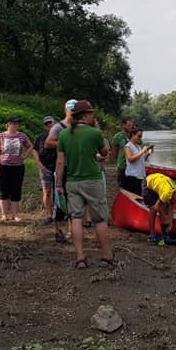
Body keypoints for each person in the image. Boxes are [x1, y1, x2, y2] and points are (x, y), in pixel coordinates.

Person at [54, 100, 114, 269]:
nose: (93, 116)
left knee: (76, 218)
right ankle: (107, 256)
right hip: (93, 180)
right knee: (100, 219)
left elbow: (60, 162)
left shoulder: (64, 134)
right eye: (91, 113)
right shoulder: (94, 133)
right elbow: (104, 153)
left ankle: (80, 257)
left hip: (72, 181)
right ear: (86, 115)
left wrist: (59, 183)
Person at [0, 117, 43, 222]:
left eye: (16, 124)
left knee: (16, 190)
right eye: (13, 123)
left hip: (18, 167)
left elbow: (30, 146)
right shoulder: (1, 136)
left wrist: (25, 155)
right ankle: (4, 214)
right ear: (8, 124)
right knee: (4, 190)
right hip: (4, 165)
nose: (15, 125)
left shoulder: (22, 136)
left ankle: (15, 214)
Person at [36, 114, 67, 243]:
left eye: (51, 123)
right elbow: (34, 150)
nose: (49, 125)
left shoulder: (61, 135)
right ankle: (49, 215)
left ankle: (61, 215)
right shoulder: (41, 137)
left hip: (59, 167)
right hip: (46, 167)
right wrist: (39, 164)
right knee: (47, 191)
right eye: (47, 123)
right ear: (44, 125)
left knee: (60, 193)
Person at [143, 172, 176, 244]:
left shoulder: (175, 192)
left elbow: (171, 208)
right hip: (148, 183)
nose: (175, 203)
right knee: (152, 208)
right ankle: (151, 235)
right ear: (175, 197)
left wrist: (170, 223)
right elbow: (156, 206)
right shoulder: (166, 193)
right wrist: (164, 216)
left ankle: (165, 234)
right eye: (175, 202)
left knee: (165, 206)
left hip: (159, 184)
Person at [122, 126, 152, 194]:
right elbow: (130, 159)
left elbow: (141, 160)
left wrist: (147, 154)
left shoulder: (138, 146)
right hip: (132, 177)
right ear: (133, 134)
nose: (140, 138)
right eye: (139, 136)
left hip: (140, 176)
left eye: (141, 136)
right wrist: (142, 151)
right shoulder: (128, 146)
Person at [111, 117, 134, 191]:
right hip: (122, 165)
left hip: (132, 165)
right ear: (123, 125)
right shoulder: (118, 136)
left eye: (131, 125)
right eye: (129, 125)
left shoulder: (134, 136)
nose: (131, 127)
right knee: (122, 186)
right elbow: (115, 153)